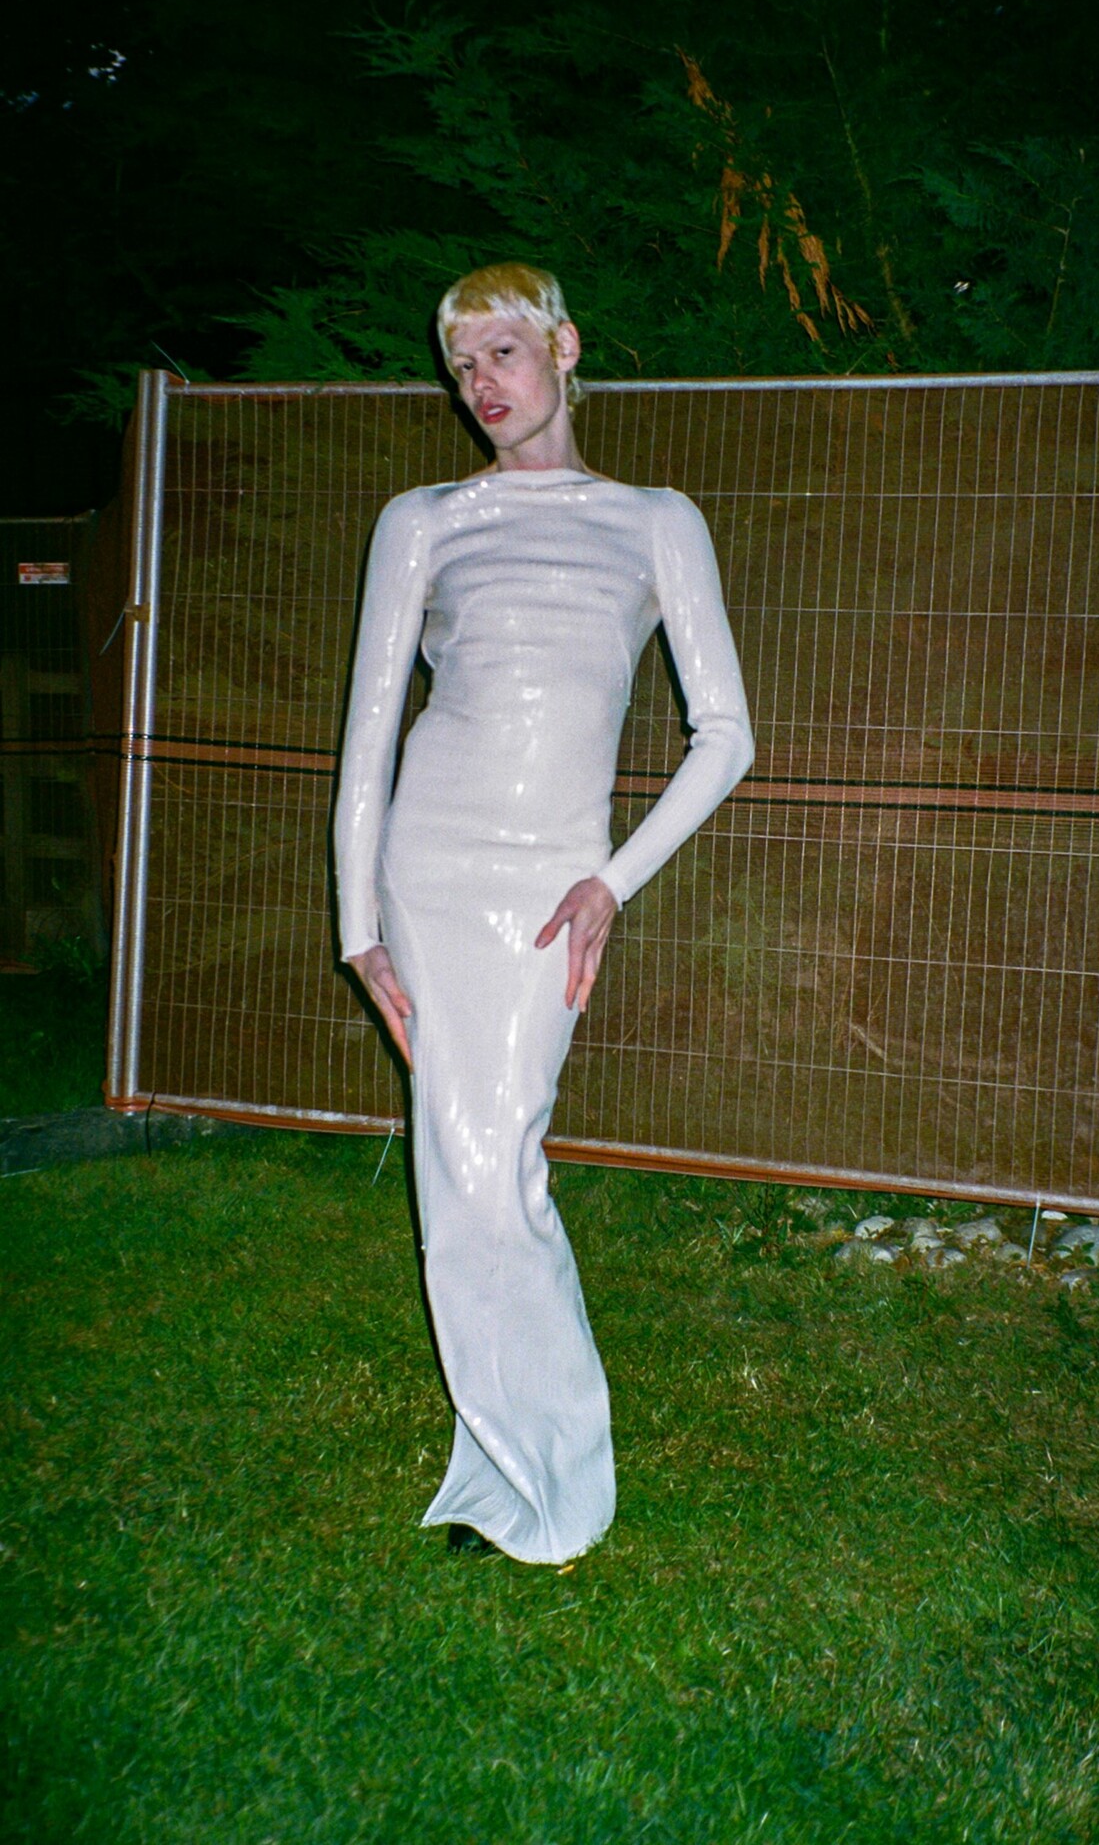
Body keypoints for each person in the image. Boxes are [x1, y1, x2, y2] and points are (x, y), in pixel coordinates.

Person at [333, 262, 753, 1564]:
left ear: (564, 348)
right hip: (429, 868)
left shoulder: (655, 522)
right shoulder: (423, 520)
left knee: (493, 1167)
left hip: (547, 887)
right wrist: (359, 927)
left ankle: (550, 1480)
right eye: (461, 366)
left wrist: (610, 881)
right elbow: (367, 741)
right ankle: (508, 1468)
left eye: (502, 353)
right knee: (463, 1172)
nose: (481, 384)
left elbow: (728, 736)